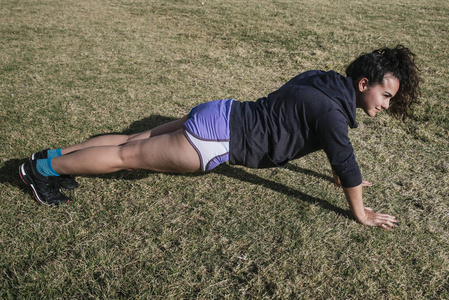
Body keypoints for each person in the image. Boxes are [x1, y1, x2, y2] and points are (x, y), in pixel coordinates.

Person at [19, 45, 420, 230]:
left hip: (220, 111)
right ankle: (39, 170)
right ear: (364, 83)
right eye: (385, 95)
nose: (385, 104)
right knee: (126, 156)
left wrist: (339, 171)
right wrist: (362, 213)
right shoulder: (333, 114)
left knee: (130, 140)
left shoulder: (322, 82)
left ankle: (47, 158)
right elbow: (346, 164)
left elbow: (330, 151)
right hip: (215, 140)